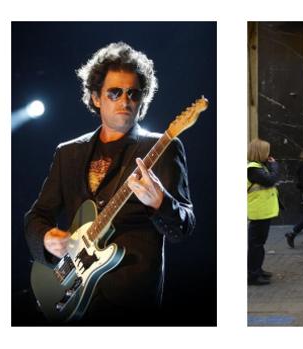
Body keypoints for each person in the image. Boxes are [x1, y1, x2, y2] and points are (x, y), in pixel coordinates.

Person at [24, 42, 195, 324]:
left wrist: (160, 202)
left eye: (133, 93)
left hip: (130, 301)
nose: (125, 100)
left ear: (143, 99)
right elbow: (37, 216)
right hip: (70, 289)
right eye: (114, 92)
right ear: (95, 97)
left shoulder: (164, 148)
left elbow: (184, 226)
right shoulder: (68, 153)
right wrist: (45, 238)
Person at [247, 138, 280, 286]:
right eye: (266, 151)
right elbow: (270, 180)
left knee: (259, 244)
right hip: (258, 211)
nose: (269, 154)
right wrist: (274, 165)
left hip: (263, 210)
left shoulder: (259, 166)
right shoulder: (253, 169)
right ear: (260, 152)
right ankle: (253, 275)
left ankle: (258, 270)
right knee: (256, 245)